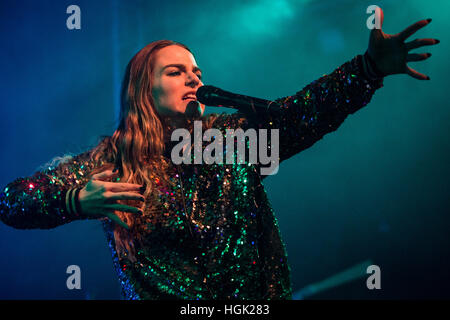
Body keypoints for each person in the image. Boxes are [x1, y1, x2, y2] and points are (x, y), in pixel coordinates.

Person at [0, 9, 439, 300]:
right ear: (142, 90)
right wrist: (74, 200)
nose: (193, 79)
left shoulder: (230, 141)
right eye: (176, 71)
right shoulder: (112, 160)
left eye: (198, 72)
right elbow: (13, 200)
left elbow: (304, 113)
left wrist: (366, 69)